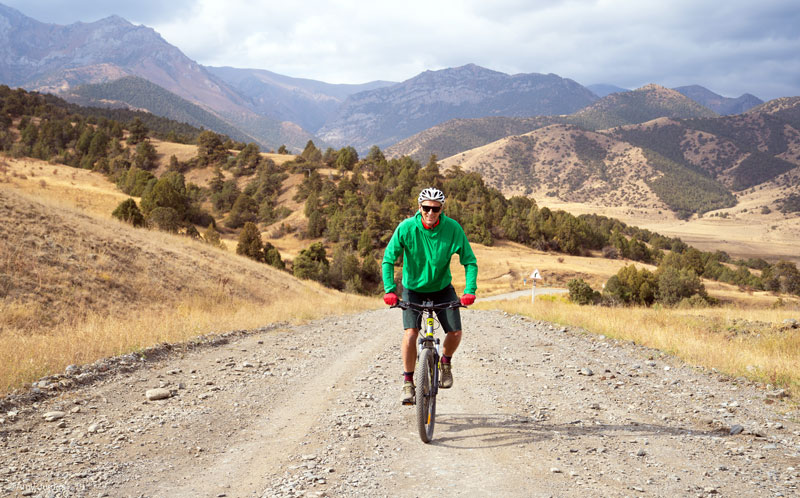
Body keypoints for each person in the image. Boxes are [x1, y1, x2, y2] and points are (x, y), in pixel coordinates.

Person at [382, 187, 478, 405]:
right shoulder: (407, 228)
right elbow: (389, 259)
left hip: (442, 288)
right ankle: (408, 382)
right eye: (426, 208)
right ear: (419, 207)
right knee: (410, 333)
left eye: (435, 209)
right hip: (413, 289)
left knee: (455, 332)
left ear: (441, 209)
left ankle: (445, 363)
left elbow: (469, 261)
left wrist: (470, 290)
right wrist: (389, 290)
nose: (431, 213)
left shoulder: (452, 228)